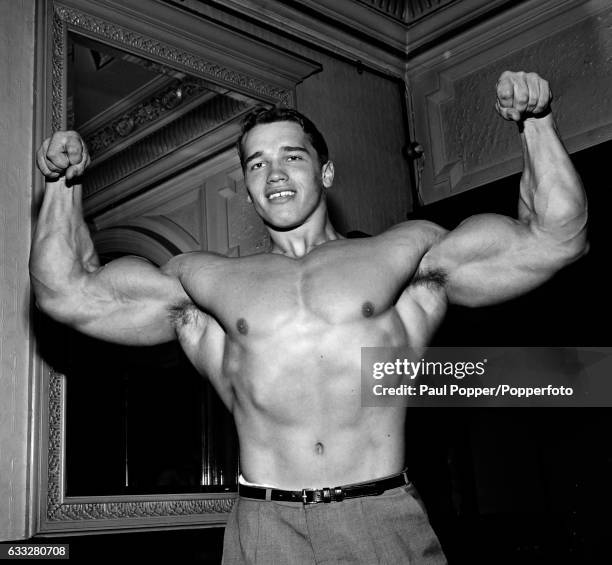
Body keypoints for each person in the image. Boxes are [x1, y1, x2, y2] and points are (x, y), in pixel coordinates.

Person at [30, 71, 587, 564]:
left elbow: (554, 238)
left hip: (379, 518)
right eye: (257, 163)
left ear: (324, 173)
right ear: (247, 190)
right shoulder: (204, 281)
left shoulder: (404, 254)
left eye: (291, 156)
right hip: (265, 528)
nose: (274, 173)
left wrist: (535, 124)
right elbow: (66, 292)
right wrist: (60, 185)